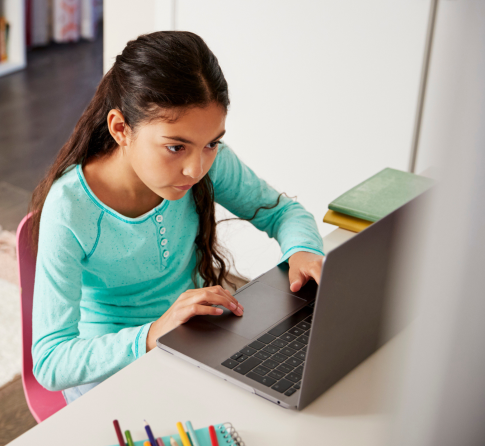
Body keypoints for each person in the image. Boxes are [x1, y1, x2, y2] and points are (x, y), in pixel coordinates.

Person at [28, 31, 325, 405]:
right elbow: (52, 362)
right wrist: (153, 333)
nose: (196, 168)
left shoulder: (203, 161)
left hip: (197, 343)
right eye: (175, 147)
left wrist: (303, 250)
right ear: (121, 129)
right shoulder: (70, 208)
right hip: (111, 377)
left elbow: (283, 211)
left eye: (211, 143)